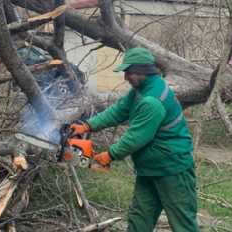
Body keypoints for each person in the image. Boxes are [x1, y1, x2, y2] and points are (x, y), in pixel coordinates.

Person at [70, 47, 198, 232]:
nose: (125, 77)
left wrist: (111, 155)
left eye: (128, 73)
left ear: (142, 71)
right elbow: (119, 110)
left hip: (172, 169)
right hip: (150, 168)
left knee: (182, 223)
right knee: (139, 219)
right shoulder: (141, 89)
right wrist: (88, 125)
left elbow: (137, 137)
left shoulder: (151, 100)